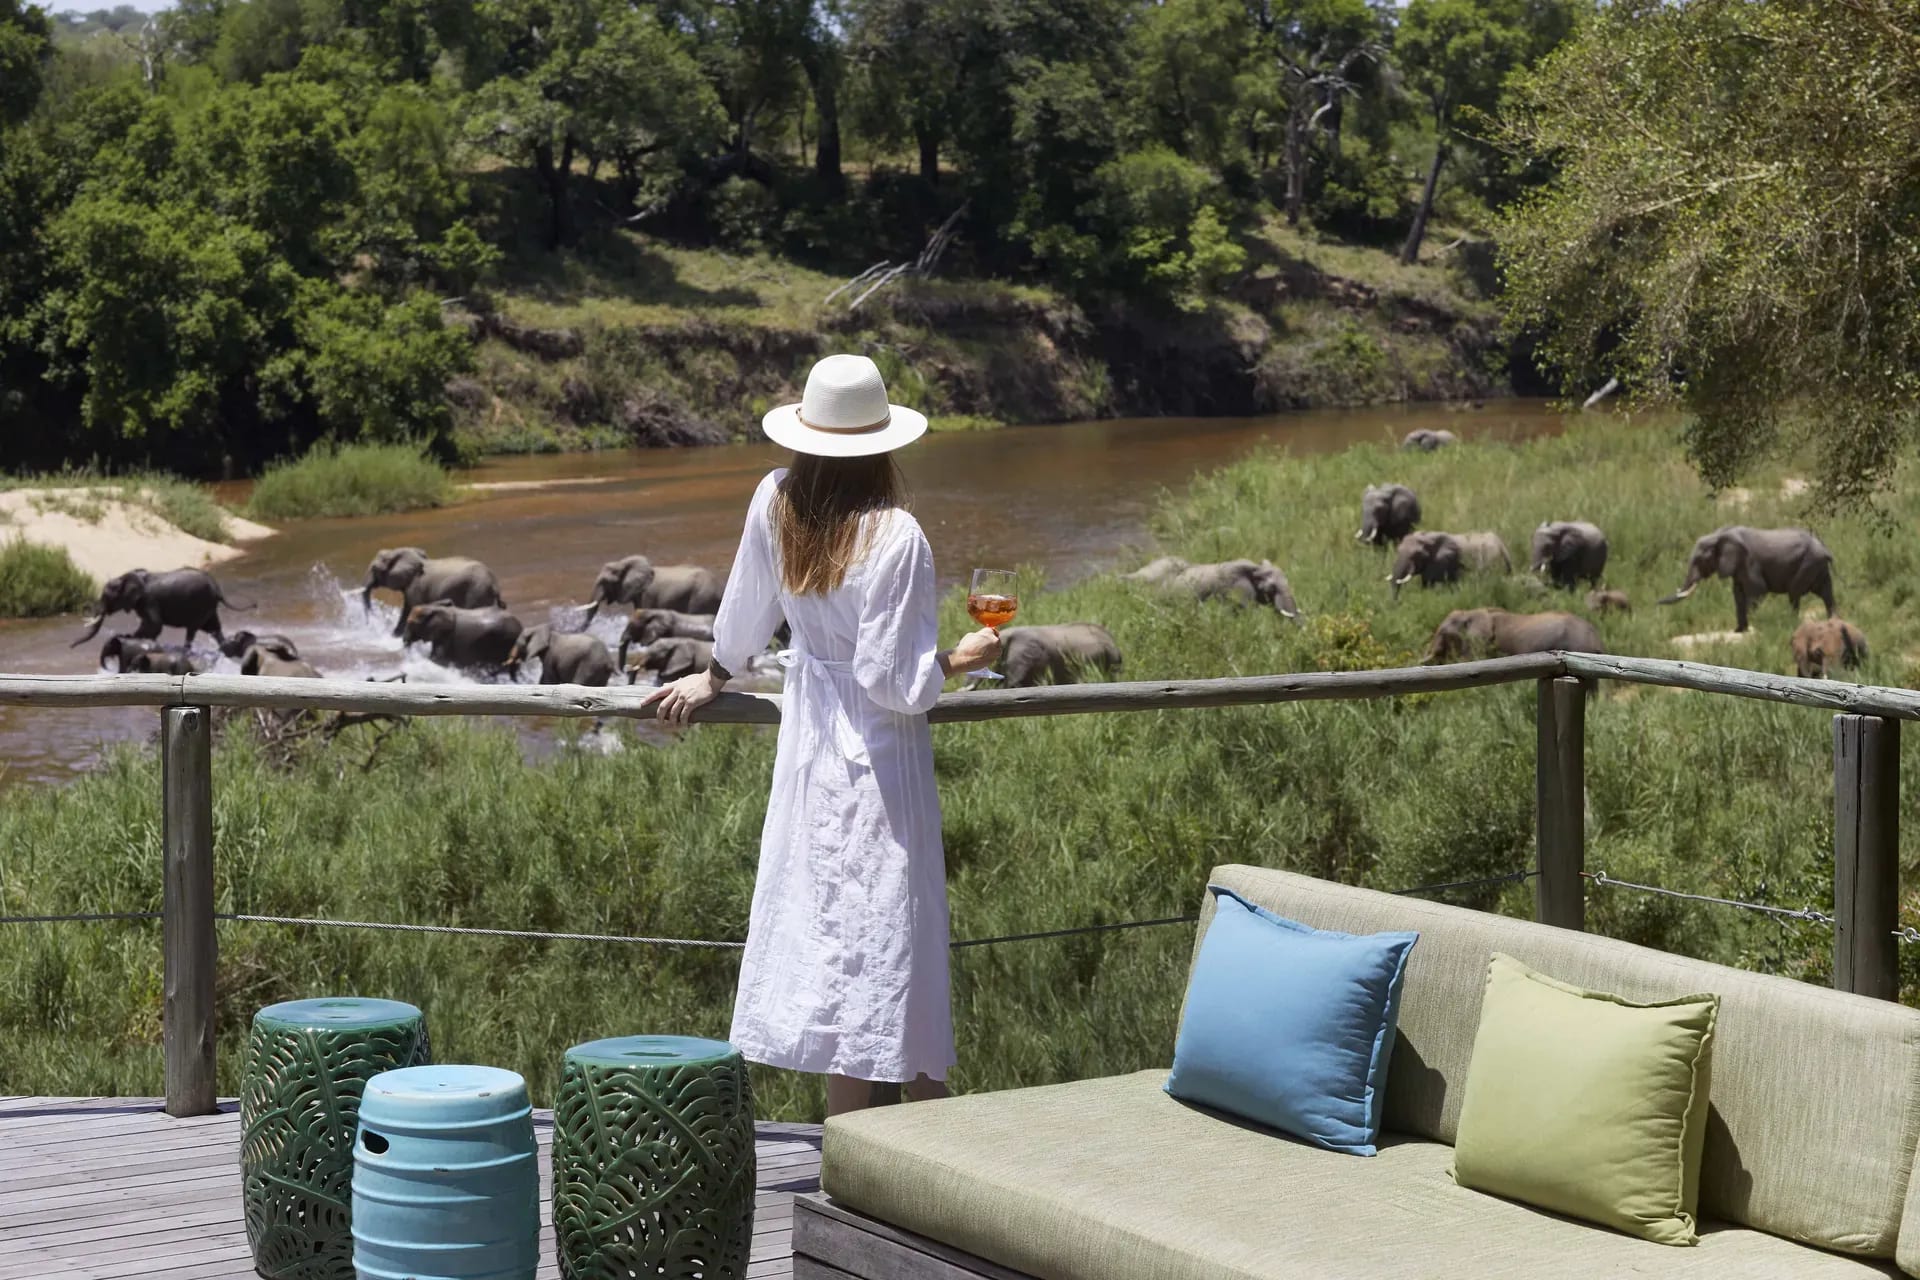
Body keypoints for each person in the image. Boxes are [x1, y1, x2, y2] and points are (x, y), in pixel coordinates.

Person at [644, 354, 1001, 1115]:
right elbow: (893, 681)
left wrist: (718, 672)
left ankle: (867, 1148)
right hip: (882, 755)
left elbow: (746, 604)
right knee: (895, 937)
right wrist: (960, 659)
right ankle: (910, 1149)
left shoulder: (777, 498)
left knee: (837, 935)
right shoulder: (896, 534)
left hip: (811, 744)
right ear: (884, 444)